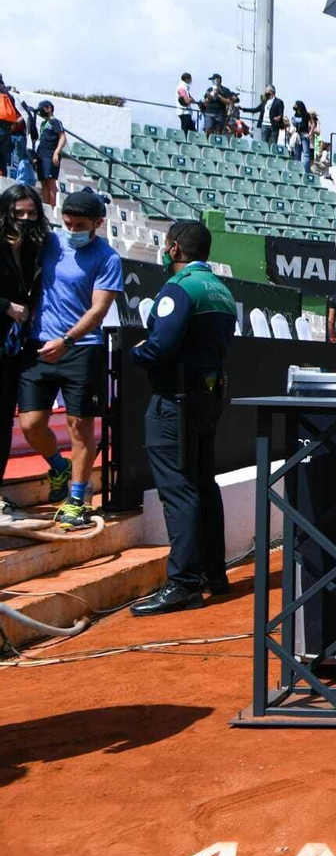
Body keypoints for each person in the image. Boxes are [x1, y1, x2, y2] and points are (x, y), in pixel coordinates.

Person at [128, 221, 237, 615]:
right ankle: (214, 573)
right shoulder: (222, 290)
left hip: (175, 401)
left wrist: (136, 351)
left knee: (179, 489)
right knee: (203, 483)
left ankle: (183, 584)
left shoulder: (179, 287)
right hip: (208, 397)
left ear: (175, 249)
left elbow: (160, 346)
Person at [15, 189, 123, 528]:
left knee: (80, 427)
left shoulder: (108, 258)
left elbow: (99, 309)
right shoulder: (50, 242)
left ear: (98, 224)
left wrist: (67, 339)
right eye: (68, 221)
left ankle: (77, 497)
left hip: (81, 348)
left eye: (80, 224)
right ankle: (59, 469)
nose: (72, 228)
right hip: (38, 346)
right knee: (31, 424)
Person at [0, 186, 46, 520]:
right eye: (19, 214)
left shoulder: (35, 249)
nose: (26, 220)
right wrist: (5, 306)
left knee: (3, 425)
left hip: (14, 351)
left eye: (31, 213)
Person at [33, 101, 65, 208]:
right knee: (44, 182)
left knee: (51, 182)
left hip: (50, 155)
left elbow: (63, 138)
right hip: (41, 156)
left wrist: (56, 152)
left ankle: (52, 208)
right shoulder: (43, 124)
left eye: (43, 109)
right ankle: (46, 207)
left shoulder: (55, 122)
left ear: (49, 108)